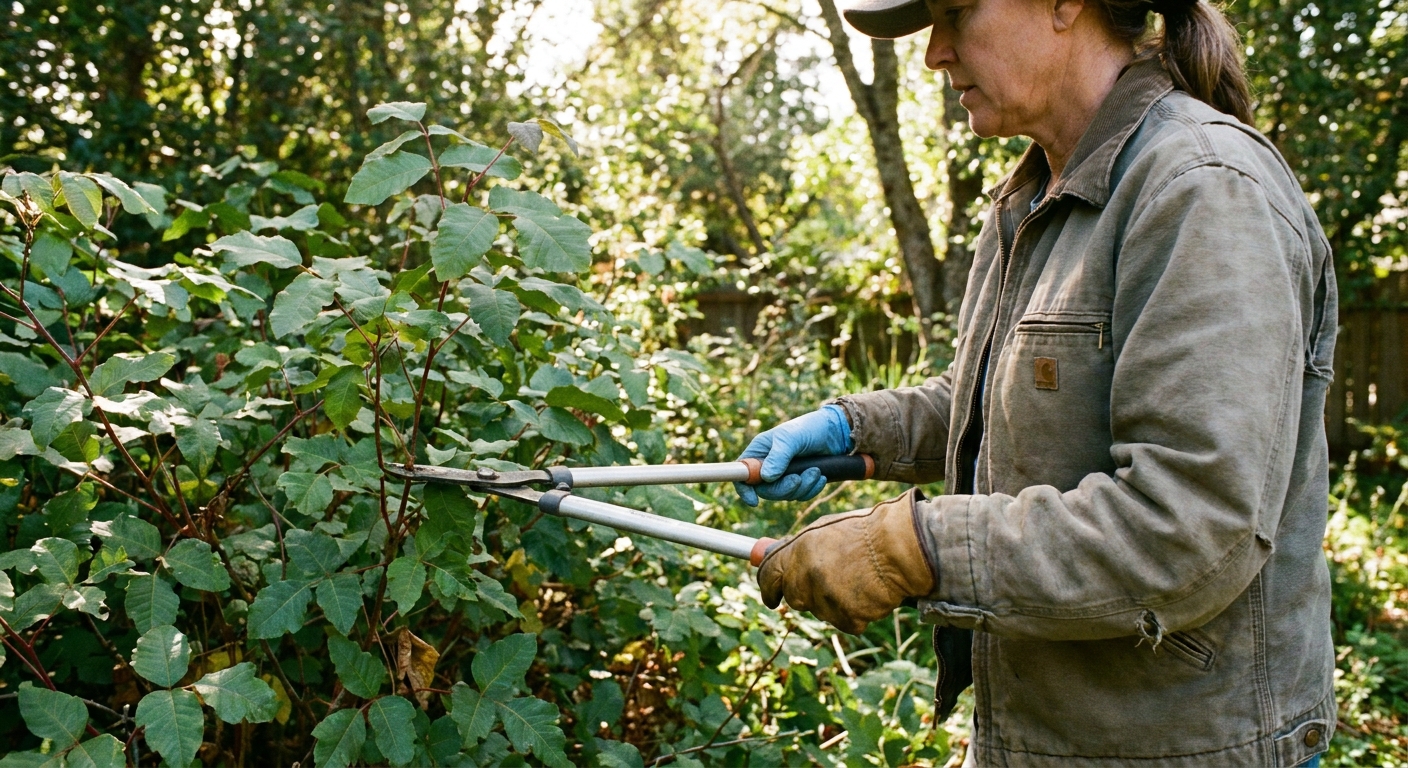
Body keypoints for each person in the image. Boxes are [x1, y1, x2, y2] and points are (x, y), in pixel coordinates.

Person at [735, 0, 1339, 763]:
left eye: (955, 14)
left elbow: (1188, 529)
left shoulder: (1202, 188)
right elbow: (1001, 401)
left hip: (1186, 745)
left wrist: (911, 547)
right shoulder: (1034, 195)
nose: (936, 55)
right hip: (1048, 737)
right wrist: (855, 431)